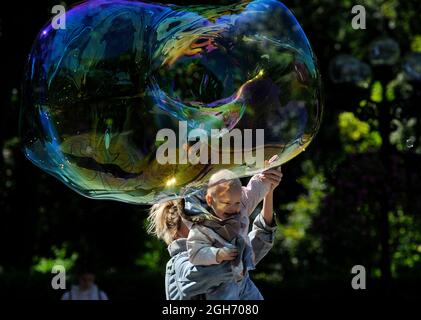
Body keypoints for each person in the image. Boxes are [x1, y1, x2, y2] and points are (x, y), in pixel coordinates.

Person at [148, 164, 282, 300]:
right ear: (175, 233)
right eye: (193, 223)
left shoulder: (224, 244)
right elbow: (213, 272)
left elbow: (261, 239)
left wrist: (267, 190)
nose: (204, 223)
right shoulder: (178, 266)